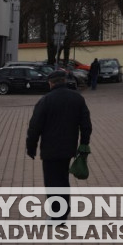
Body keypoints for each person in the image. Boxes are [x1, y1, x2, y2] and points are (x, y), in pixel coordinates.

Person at [26, 70, 92, 220]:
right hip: (69, 148)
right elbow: (86, 125)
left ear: (51, 83)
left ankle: (57, 215)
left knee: (52, 182)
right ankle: (63, 212)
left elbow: (34, 127)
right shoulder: (77, 99)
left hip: (50, 150)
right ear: (64, 81)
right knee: (63, 180)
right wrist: (84, 144)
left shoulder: (45, 100)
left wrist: (31, 147)